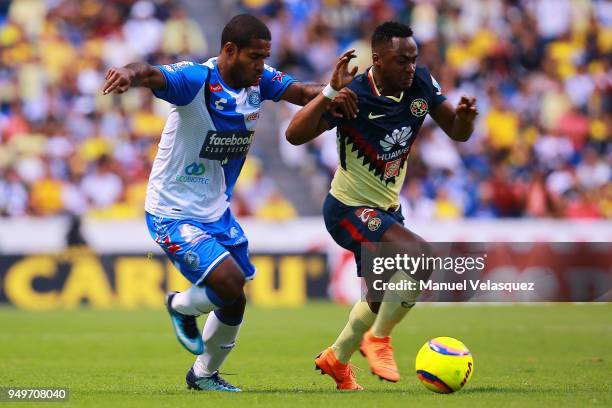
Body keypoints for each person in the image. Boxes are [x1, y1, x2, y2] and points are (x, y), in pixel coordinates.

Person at [102, 14, 356, 392]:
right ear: (229, 51)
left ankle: (203, 375)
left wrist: (333, 90)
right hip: (171, 211)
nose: (261, 65)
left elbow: (303, 93)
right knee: (229, 281)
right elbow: (151, 73)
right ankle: (181, 306)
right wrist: (127, 72)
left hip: (215, 212)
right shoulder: (195, 81)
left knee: (234, 299)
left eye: (265, 56)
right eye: (255, 56)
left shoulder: (260, 81)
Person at [285, 21, 478, 390]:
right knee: (420, 257)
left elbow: (456, 131)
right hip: (347, 209)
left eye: (413, 59)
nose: (409, 67)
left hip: (386, 210)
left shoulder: (422, 83)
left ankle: (336, 360)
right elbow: (294, 135)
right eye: (401, 60)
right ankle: (378, 339)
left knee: (376, 297)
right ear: (377, 59)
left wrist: (465, 121)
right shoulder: (352, 96)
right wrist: (328, 93)